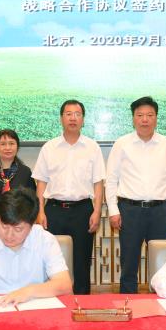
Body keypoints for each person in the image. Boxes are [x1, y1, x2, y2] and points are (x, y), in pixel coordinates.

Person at [105, 96, 166, 294]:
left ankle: (159, 301)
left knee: (160, 262)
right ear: (133, 118)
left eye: (150, 115)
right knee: (129, 262)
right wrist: (113, 210)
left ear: (156, 118)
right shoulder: (122, 144)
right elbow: (111, 180)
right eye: (140, 115)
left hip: (160, 211)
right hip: (129, 210)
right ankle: (128, 302)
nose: (145, 119)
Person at [33, 100, 105, 294]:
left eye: (77, 114)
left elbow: (98, 183)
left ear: (83, 119)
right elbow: (41, 182)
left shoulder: (92, 147)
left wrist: (97, 211)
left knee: (82, 261)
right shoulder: (49, 147)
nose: (73, 118)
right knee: (52, 260)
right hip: (54, 210)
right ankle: (53, 300)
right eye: (68, 114)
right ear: (61, 118)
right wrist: (40, 211)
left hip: (83, 211)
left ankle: (81, 301)